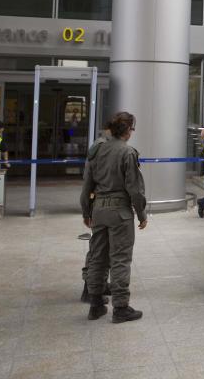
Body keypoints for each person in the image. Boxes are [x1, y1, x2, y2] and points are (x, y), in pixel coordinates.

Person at [80, 111, 146, 323]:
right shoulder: (127, 153)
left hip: (98, 210)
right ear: (127, 130)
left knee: (97, 257)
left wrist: (86, 211)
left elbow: (86, 186)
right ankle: (120, 307)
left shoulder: (96, 150)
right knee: (120, 259)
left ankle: (96, 305)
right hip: (120, 213)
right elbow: (134, 189)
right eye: (132, 129)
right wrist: (142, 213)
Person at [80, 129, 111, 303]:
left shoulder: (100, 146)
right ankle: (90, 289)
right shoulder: (102, 148)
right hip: (100, 204)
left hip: (98, 204)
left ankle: (98, 285)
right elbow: (89, 181)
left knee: (103, 247)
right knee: (98, 248)